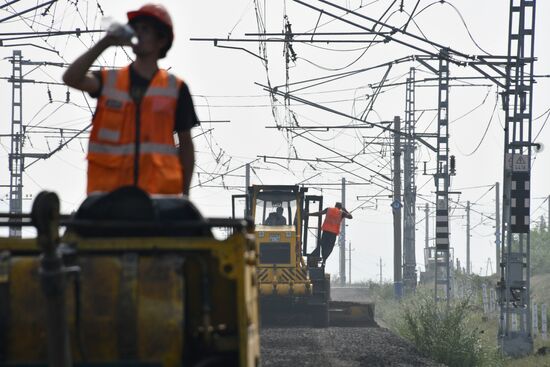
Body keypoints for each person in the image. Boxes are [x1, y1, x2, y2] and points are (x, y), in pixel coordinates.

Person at [63, 3, 199, 196]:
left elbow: (186, 145)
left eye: (145, 29)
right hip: (109, 196)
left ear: (161, 40)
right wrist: (106, 43)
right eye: (136, 28)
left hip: (157, 198)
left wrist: (184, 196)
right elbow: (71, 78)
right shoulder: (108, 81)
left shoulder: (176, 89)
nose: (138, 33)